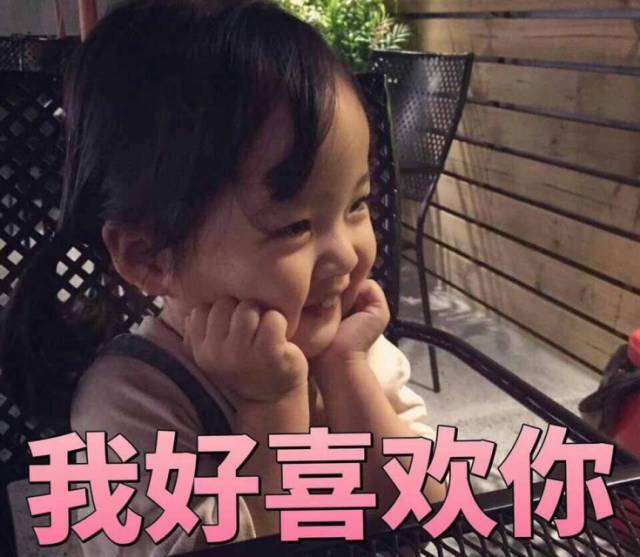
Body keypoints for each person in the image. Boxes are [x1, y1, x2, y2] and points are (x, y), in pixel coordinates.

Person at [1, 0, 444, 554]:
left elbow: (427, 508)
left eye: (357, 204)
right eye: (294, 227)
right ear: (148, 257)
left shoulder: (351, 347)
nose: (347, 254)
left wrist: (346, 370)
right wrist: (271, 404)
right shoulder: (129, 401)